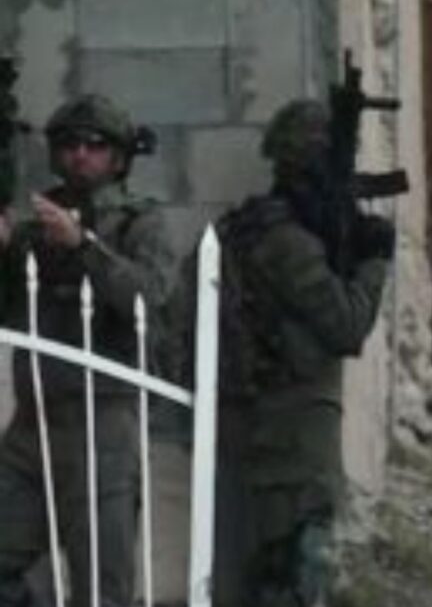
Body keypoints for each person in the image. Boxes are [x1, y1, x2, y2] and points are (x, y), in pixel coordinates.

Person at [206, 100, 395, 607]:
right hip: (291, 441)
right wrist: (374, 262)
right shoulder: (286, 242)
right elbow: (346, 326)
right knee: (295, 577)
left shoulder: (247, 229)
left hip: (259, 432)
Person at [0, 96, 180, 607]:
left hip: (103, 425)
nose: (80, 154)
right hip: (34, 424)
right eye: (69, 144)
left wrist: (84, 247)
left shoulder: (139, 223)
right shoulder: (36, 226)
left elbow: (149, 297)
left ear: (119, 158)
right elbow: (10, 313)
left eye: (95, 145)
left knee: (102, 588)